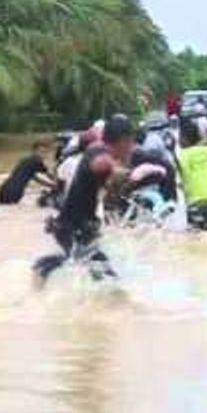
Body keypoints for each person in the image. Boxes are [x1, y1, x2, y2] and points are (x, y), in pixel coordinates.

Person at [33, 115, 137, 285]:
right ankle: (41, 269)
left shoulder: (97, 147)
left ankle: (42, 270)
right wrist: (115, 168)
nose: (132, 147)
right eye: (131, 142)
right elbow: (99, 163)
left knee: (81, 263)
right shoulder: (102, 157)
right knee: (106, 278)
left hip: (74, 226)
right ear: (123, 140)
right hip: (74, 227)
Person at [176, 122, 207, 232]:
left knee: (195, 240)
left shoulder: (180, 156)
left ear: (183, 139)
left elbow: (178, 182)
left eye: (179, 137)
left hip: (196, 206)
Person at [0, 141, 55, 205]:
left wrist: (51, 184)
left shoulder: (25, 160)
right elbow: (48, 176)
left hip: (4, 189)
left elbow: (34, 177)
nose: (43, 155)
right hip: (15, 191)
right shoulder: (37, 162)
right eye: (41, 152)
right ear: (34, 152)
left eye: (45, 152)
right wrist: (55, 184)